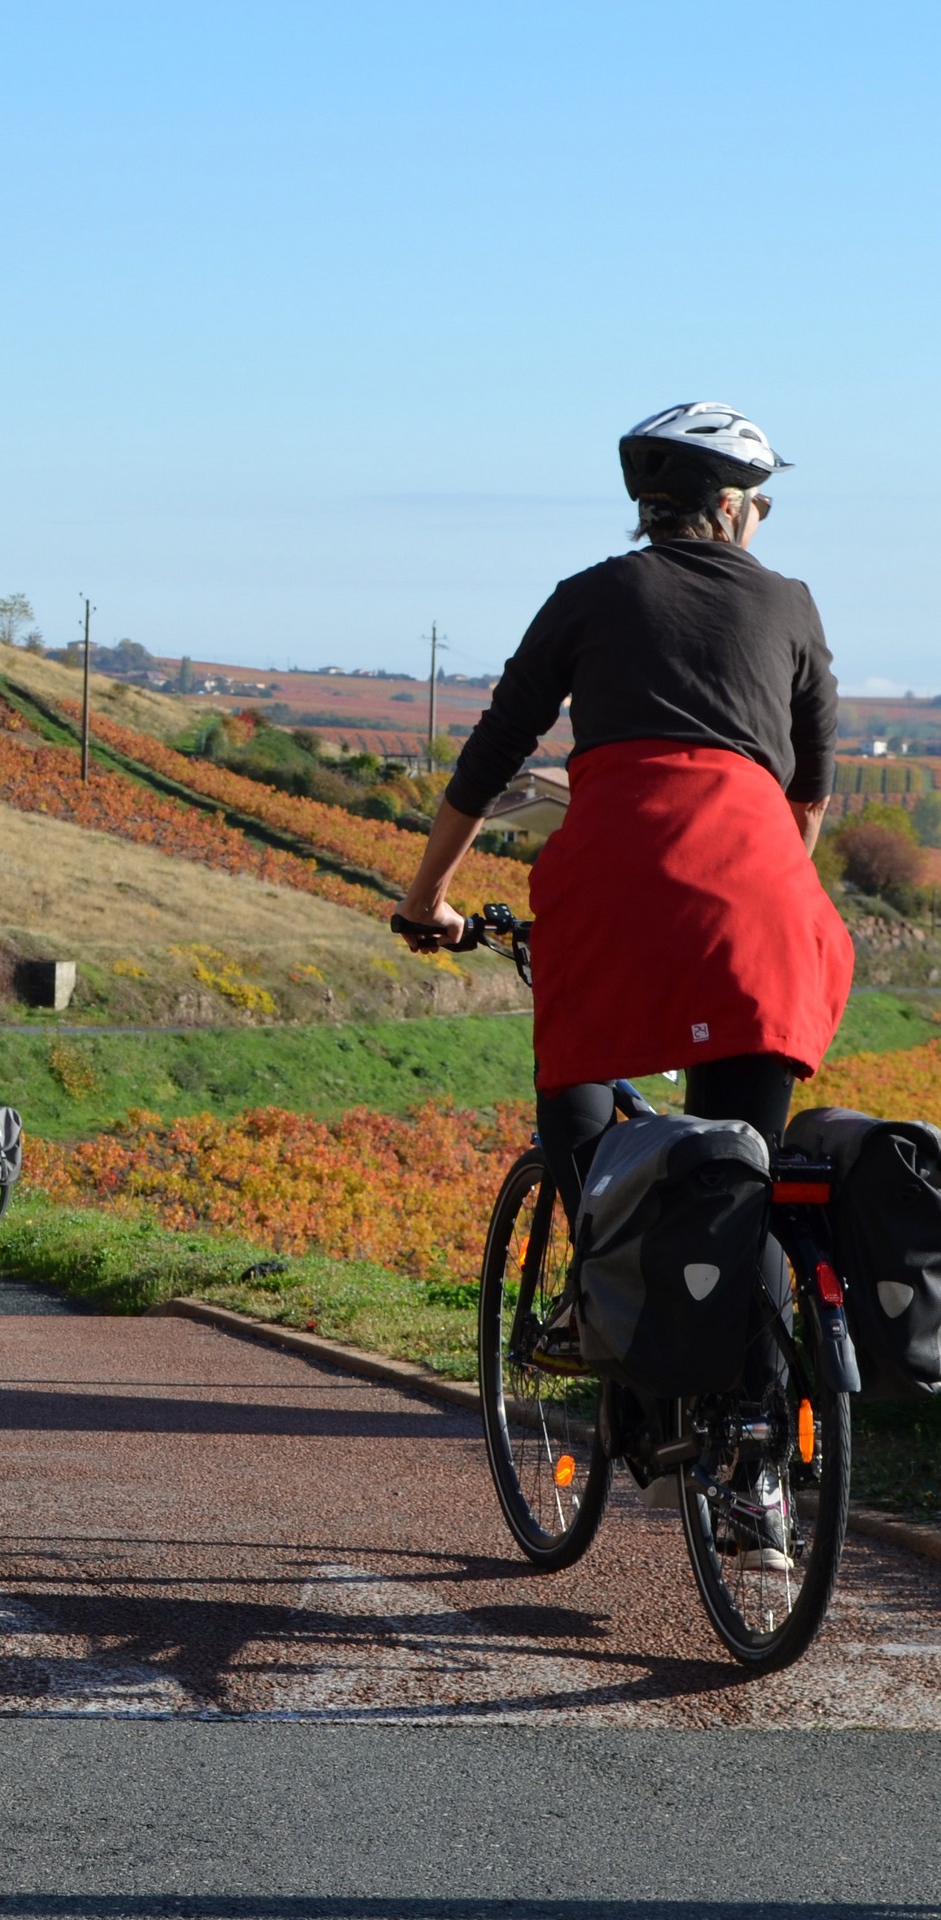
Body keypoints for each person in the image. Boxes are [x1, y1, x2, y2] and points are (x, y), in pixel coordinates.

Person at [396, 401, 853, 1510]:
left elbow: (494, 745)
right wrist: (757, 889)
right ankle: (757, 1459)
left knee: (582, 1132)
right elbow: (808, 797)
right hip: (758, 900)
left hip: (612, 893)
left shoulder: (592, 594)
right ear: (734, 509)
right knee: (743, 1162)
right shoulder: (790, 605)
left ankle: (614, 1337)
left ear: (653, 509)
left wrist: (430, 896)